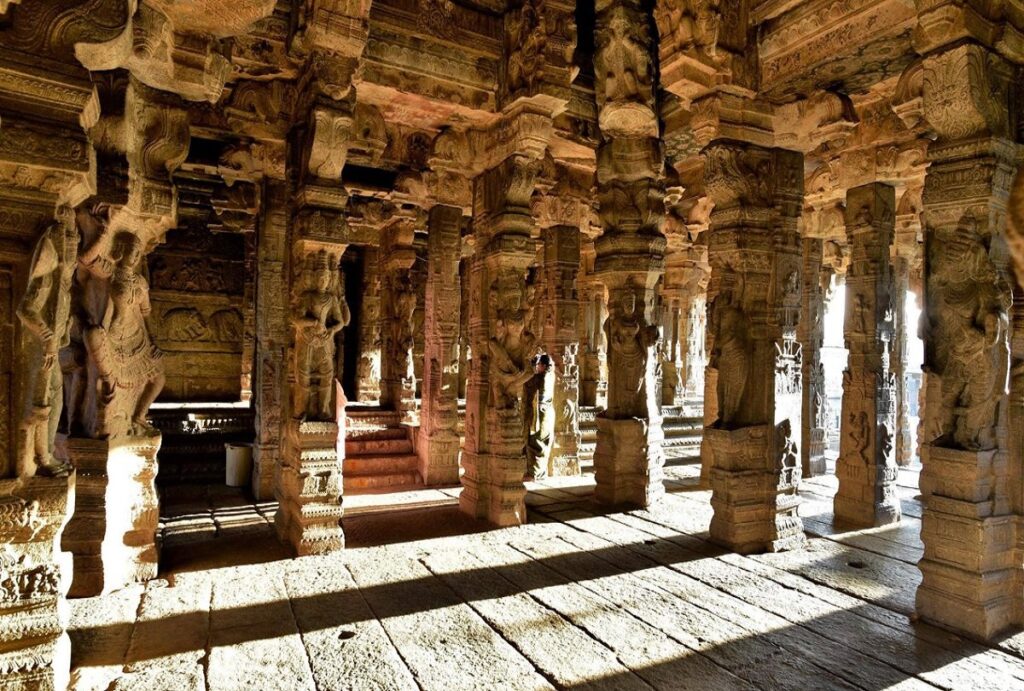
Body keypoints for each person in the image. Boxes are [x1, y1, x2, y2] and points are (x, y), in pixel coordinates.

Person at [524, 353, 554, 481]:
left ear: (543, 366)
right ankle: (540, 472)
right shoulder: (551, 375)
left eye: (539, 365)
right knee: (543, 442)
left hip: (540, 415)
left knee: (536, 442)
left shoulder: (542, 378)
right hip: (548, 414)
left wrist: (529, 367)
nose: (538, 368)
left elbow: (528, 383)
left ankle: (534, 473)